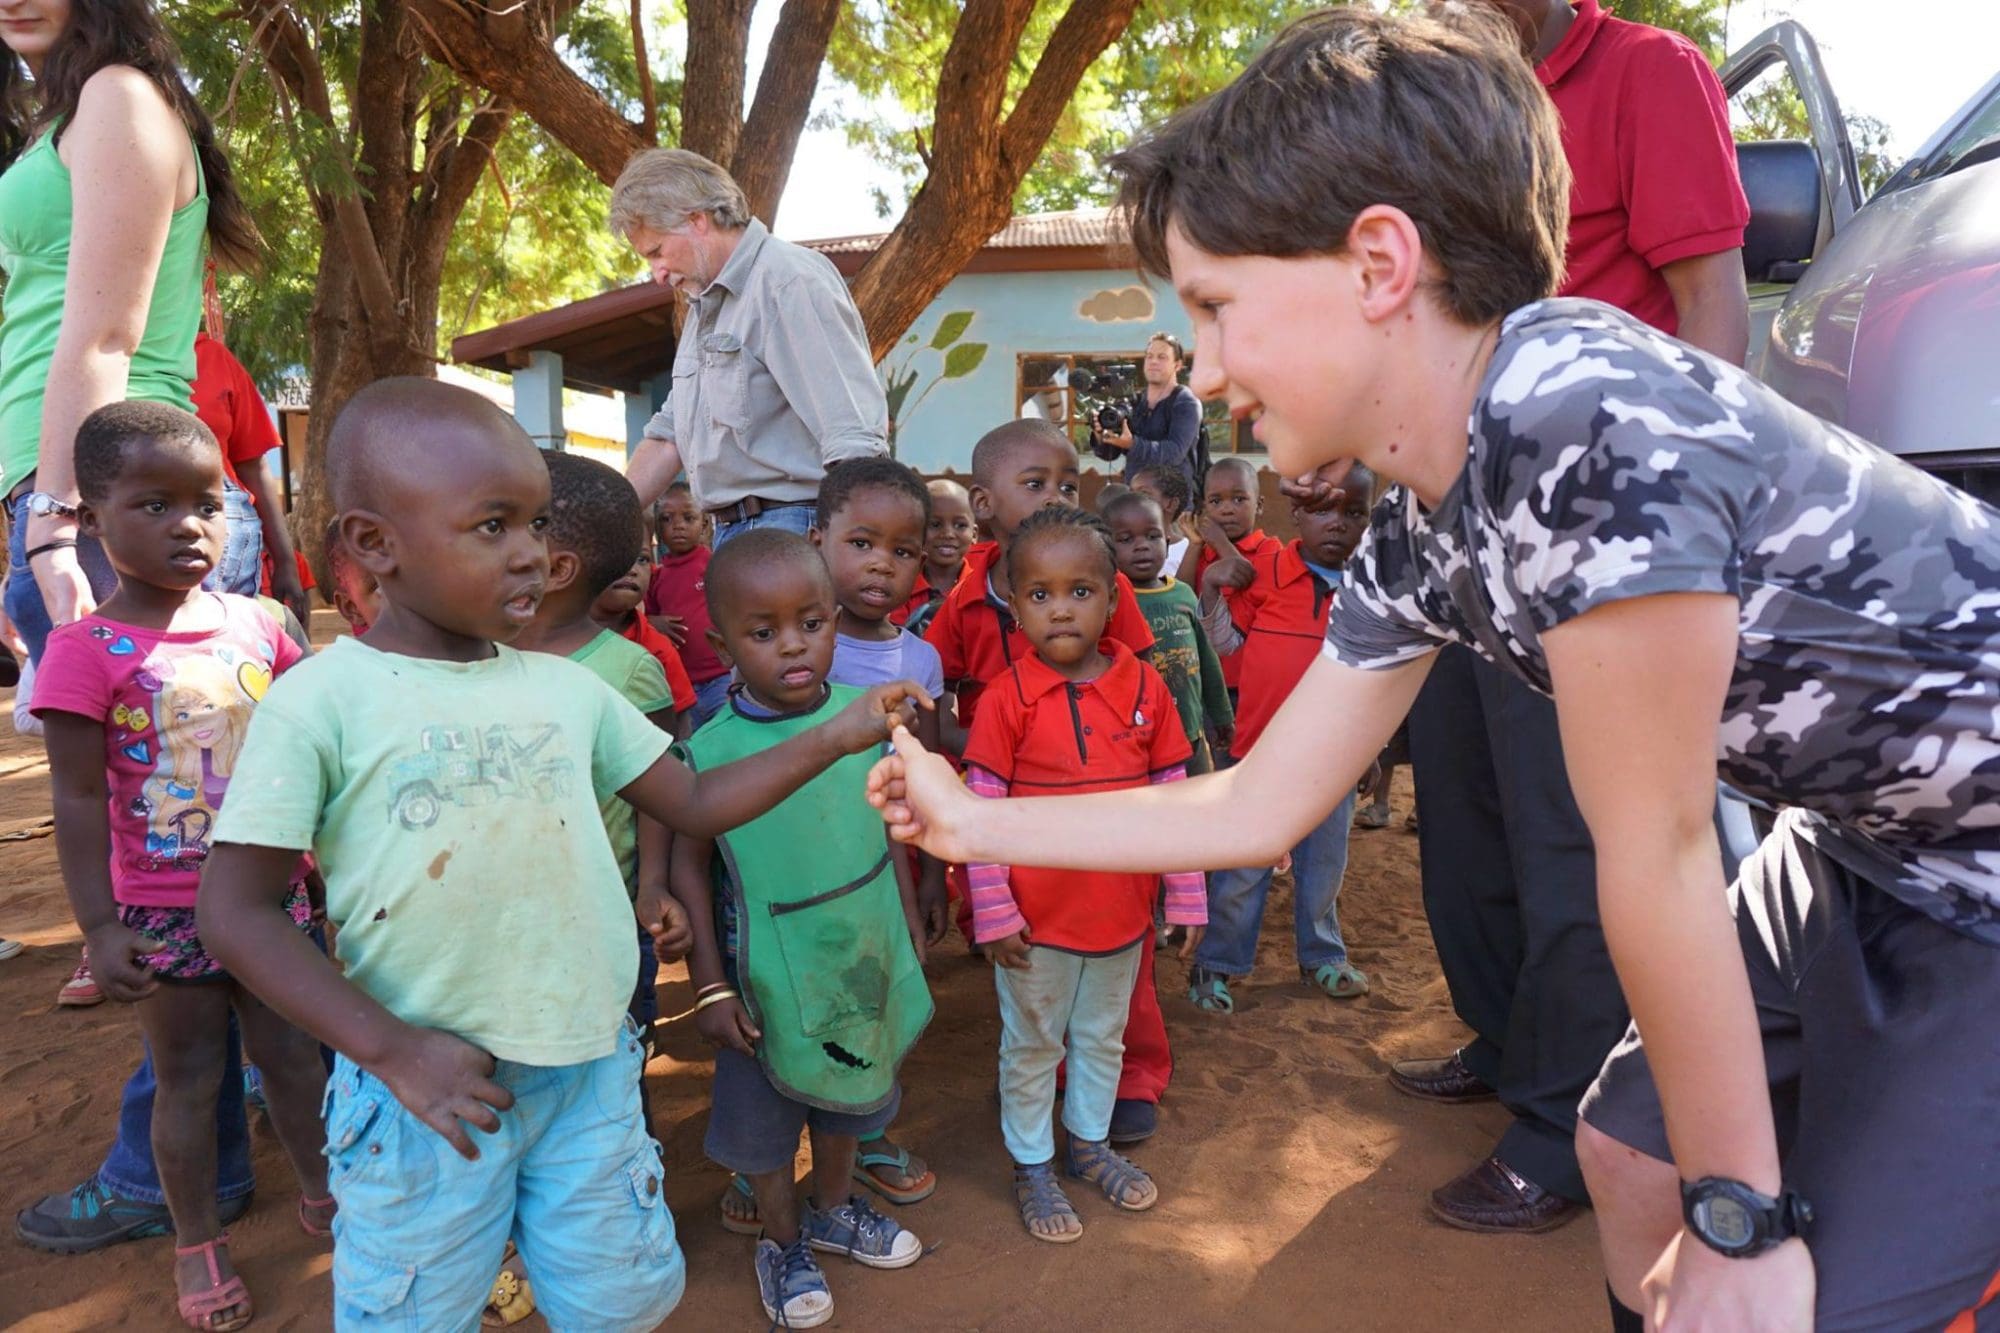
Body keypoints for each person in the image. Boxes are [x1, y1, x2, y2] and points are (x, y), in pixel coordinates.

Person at [865, 9, 2000, 1331]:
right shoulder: (1421, 509)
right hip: (1857, 839)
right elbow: (1258, 803)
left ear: (1379, 264)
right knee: (1629, 1152)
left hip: (1984, 869)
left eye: (1221, 307)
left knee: (1807, 1292)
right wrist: (972, 816)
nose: (1214, 371)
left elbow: (1666, 851)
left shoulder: (1580, 418)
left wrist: (1740, 1219)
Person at [195, 378, 928, 1332]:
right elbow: (236, 909)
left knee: (614, 1300)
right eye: (493, 525)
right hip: (429, 1095)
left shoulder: (565, 690)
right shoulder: (321, 702)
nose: (532, 553)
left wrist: (835, 736)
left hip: (588, 1068)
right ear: (374, 544)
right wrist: (391, 1051)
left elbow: (696, 799)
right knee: (419, 1311)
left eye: (536, 525)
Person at [1390, 0, 1755, 1236]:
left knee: (1574, 833)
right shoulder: (1441, 95)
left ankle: (1561, 1124)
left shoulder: (1647, 73)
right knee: (1464, 799)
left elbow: (1709, 298)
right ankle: (1506, 1042)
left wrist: (1686, 518)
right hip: (1455, 509)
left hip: (1592, 523)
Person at [34, 403, 331, 1331]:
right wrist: (98, 926)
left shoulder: (262, 623)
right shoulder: (86, 653)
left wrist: (320, 860)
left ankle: (330, 1202)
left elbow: (311, 748)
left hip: (274, 895)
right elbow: (79, 802)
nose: (188, 527)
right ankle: (196, 1243)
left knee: (295, 1059)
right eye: (154, 505)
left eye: (208, 504)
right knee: (189, 1079)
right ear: (94, 518)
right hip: (164, 912)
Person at [667, 528, 931, 1329]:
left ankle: (834, 1208)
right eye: (763, 631)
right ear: (721, 643)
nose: (794, 646)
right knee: (766, 1124)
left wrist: (911, 927)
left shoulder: (869, 721)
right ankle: (782, 1239)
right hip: (767, 977)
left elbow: (892, 831)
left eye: (812, 623)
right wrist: (710, 984)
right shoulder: (711, 749)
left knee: (856, 1098)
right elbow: (687, 867)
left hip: (860, 952)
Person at [960, 506, 1206, 1243]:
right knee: (1034, 1044)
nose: (1060, 608)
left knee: (1103, 1037)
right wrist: (995, 913)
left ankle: (1089, 1144)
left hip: (1120, 918)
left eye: (1080, 591)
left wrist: (1186, 893)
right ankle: (1032, 1163)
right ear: (1013, 598)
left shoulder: (1144, 688)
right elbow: (981, 817)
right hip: (1035, 927)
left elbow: (1175, 795)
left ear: (1111, 596)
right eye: (1039, 594)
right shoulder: (1005, 698)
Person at [924, 420, 1170, 1144]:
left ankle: (1131, 1075)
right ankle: (1045, 1073)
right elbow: (937, 690)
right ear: (983, 502)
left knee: (1124, 947)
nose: (1057, 497)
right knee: (1029, 949)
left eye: (1068, 484)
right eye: (1036, 485)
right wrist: (995, 746)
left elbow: (1142, 682)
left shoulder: (1106, 581)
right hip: (1011, 807)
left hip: (1105, 802)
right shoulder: (964, 600)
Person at [1, 0, 262, 660]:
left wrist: (55, 523)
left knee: (168, 766)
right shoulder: (59, 120)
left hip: (115, 500)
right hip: (80, 499)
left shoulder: (117, 94)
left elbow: (106, 335)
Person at [507, 450, 692, 1082]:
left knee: (612, 1064)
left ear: (555, 567)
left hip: (605, 909)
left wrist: (652, 885)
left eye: (507, 525)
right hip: (506, 915)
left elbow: (659, 791)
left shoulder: (629, 669)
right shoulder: (471, 657)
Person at [610, 148, 888, 539]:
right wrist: (601, 517)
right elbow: (670, 437)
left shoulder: (787, 280)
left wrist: (858, 542)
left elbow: (852, 436)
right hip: (735, 531)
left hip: (795, 528)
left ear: (697, 220)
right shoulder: (706, 305)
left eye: (656, 252)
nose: (656, 274)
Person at [1188, 479, 1378, 1013]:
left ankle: (1323, 956)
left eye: (1354, 512)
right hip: (1260, 755)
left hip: (1333, 761)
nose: (1337, 524)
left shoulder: (1370, 589)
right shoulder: (1268, 573)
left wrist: (1371, 749)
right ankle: (1217, 965)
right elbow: (1226, 644)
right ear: (1296, 512)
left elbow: (1375, 678)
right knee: (1243, 867)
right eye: (1322, 510)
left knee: (1324, 866)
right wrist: (1210, 590)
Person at [1102, 490, 1232, 774]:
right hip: (1138, 740)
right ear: (1106, 546)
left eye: (1152, 536)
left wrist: (1221, 716)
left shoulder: (1183, 594)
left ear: (1168, 539)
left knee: (1195, 805)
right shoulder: (1109, 602)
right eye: (1126, 539)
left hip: (1190, 733)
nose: (1142, 547)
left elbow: (1207, 662)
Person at [191, 334, 305, 620]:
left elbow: (253, 466)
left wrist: (286, 563)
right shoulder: (88, 351)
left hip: (223, 542)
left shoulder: (213, 356)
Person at [1180, 457, 1278, 717]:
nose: (1227, 509)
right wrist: (1195, 544)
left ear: (1259, 505)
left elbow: (1243, 575)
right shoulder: (1203, 551)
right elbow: (1182, 595)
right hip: (1211, 681)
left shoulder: (1269, 550)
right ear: (1204, 509)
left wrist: (1219, 541)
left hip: (1254, 682)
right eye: (1215, 501)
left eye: (1238, 499)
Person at [645, 482, 731, 726]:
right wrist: (654, 623)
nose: (678, 526)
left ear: (704, 524)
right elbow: (644, 620)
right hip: (681, 685)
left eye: (688, 517)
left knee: (723, 739)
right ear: (658, 529)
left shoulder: (714, 565)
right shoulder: (656, 577)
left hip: (721, 677)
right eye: (667, 519)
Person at [591, 549, 696, 735]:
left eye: (642, 559)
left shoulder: (658, 650)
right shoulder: (547, 637)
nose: (631, 569)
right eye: (614, 555)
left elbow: (681, 727)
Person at [1088, 332, 1203, 490]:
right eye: (1149, 356)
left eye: (1162, 357)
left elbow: (1174, 453)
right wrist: (1102, 436)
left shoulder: (1185, 402)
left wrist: (1132, 444)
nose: (1153, 362)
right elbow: (1110, 454)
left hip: (1174, 503)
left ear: (1177, 365)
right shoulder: (1134, 402)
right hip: (1136, 501)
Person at [892, 477, 972, 638]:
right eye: (935, 524)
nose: (948, 534)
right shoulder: (901, 585)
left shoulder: (981, 587)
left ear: (975, 534)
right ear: (915, 530)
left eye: (960, 525)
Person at [1131, 464, 1196, 582]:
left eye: (1144, 494)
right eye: (1130, 494)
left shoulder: (1188, 550)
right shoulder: (1123, 546)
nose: (1133, 500)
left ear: (1171, 504)